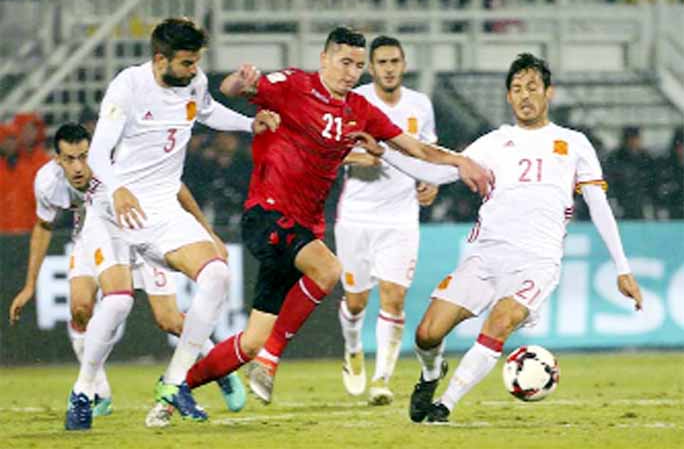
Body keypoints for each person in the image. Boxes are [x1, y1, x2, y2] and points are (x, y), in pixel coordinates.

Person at [181, 26, 489, 406]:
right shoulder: (294, 85)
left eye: (358, 66)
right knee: (328, 271)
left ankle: (177, 387)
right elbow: (230, 91)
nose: (351, 72)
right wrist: (238, 81)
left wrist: (459, 161)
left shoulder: (359, 110)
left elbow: (415, 148)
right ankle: (271, 360)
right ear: (324, 58)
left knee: (252, 338)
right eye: (345, 62)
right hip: (268, 213)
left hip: (304, 226)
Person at [358, 53, 644, 423]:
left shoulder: (573, 143)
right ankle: (431, 374)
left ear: (548, 93)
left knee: (501, 320)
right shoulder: (492, 143)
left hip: (537, 262)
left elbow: (599, 206)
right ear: (508, 97)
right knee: (427, 334)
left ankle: (444, 405)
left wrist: (622, 269)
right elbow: (438, 171)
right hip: (486, 257)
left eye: (532, 87)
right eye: (517, 89)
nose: (525, 95)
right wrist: (386, 154)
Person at [64, 17, 279, 430]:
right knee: (118, 302)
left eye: (197, 61)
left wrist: (250, 124)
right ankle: (83, 388)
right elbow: (97, 156)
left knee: (216, 274)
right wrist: (118, 187)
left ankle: (175, 382)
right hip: (114, 210)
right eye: (185, 63)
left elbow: (211, 112)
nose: (194, 70)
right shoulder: (128, 86)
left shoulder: (193, 83)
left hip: (162, 210)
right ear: (159, 59)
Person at [6, 123, 246, 422]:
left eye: (84, 156)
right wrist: (30, 285)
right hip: (93, 235)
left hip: (141, 229)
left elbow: (174, 188)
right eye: (70, 159)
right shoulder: (47, 182)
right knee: (82, 308)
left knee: (169, 319)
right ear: (57, 159)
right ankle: (96, 390)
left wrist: (207, 233)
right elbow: (43, 226)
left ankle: (214, 365)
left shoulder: (119, 163)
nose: (79, 167)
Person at [333, 35, 439, 405]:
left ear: (403, 64)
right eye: (382, 62)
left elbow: (426, 152)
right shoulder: (354, 101)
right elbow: (329, 149)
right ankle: (352, 349)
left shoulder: (420, 104)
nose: (389, 68)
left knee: (394, 299)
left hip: (401, 218)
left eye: (395, 61)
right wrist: (361, 158)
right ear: (371, 67)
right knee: (357, 301)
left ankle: (382, 380)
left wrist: (431, 182)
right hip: (356, 217)